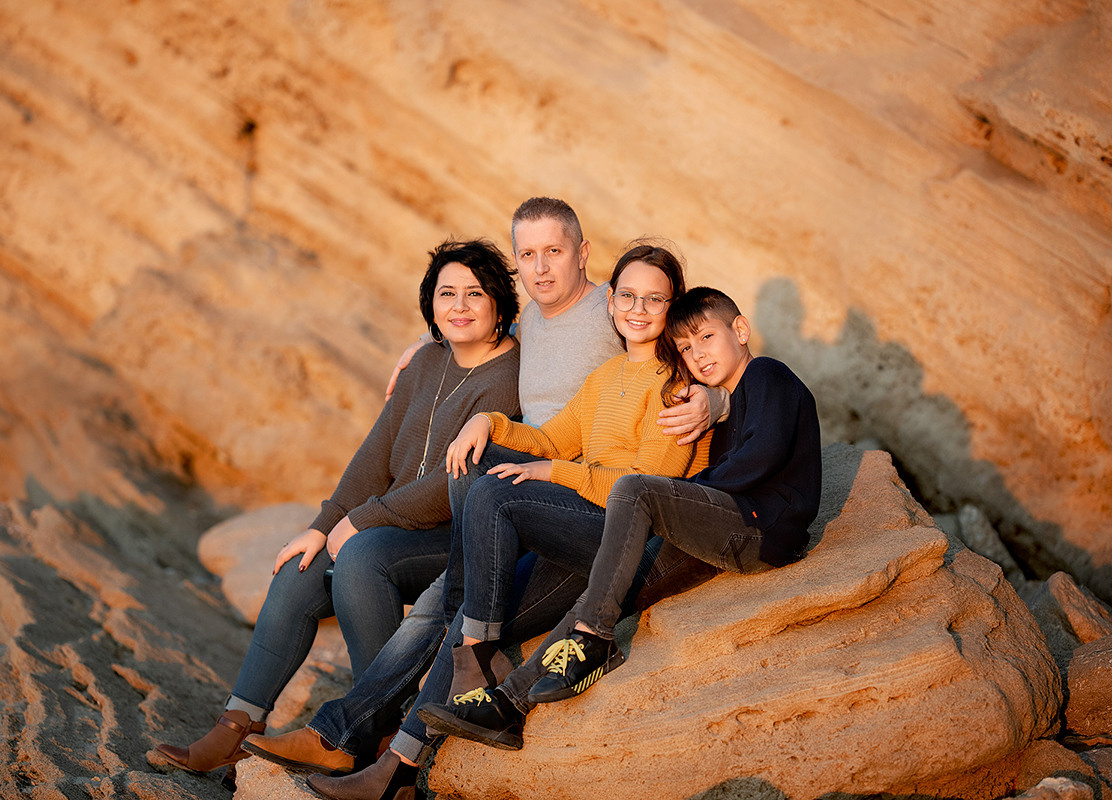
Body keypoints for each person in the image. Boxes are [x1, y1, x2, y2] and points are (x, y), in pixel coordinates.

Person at [238, 202, 723, 777]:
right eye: (528, 255)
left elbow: (704, 353)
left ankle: (438, 679)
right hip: (544, 498)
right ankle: (357, 742)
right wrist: (460, 381)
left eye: (556, 252)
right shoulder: (557, 339)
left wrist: (716, 398)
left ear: (585, 255)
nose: (542, 268)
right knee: (435, 595)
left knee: (452, 585)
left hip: (584, 512)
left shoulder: (624, 330)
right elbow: (508, 363)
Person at [150, 238, 522, 779]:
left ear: (499, 307)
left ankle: (362, 731)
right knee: (301, 568)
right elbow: (372, 458)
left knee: (361, 555)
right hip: (394, 528)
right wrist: (322, 526)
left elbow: (451, 484)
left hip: (459, 536)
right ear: (431, 305)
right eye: (446, 294)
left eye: (474, 294)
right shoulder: (424, 361)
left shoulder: (508, 378)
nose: (459, 306)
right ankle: (237, 728)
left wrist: (362, 520)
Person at [420, 287, 822, 752]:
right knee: (606, 586)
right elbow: (552, 437)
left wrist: (683, 496)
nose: (698, 355)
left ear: (741, 330)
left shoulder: (769, 374)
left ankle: (597, 642)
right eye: (687, 349)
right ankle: (509, 704)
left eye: (707, 338)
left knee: (635, 489)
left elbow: (761, 457)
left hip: (759, 526)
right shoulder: (718, 399)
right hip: (721, 532)